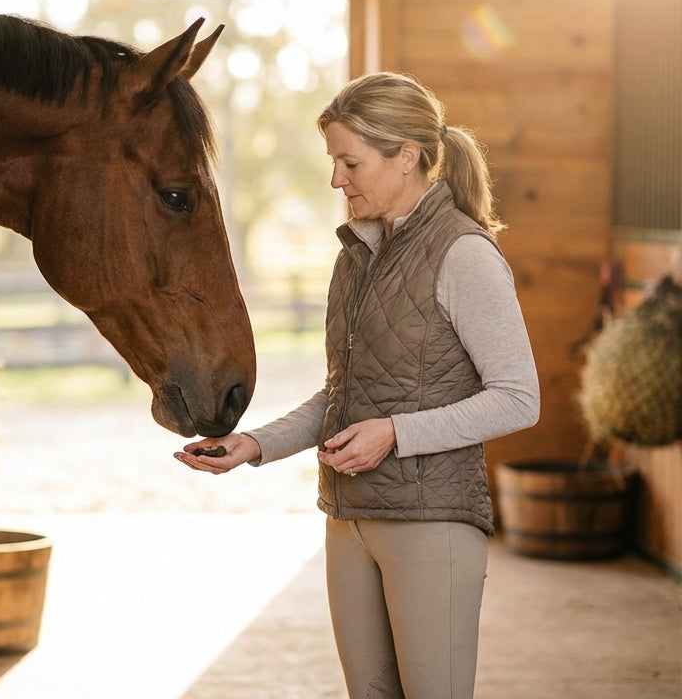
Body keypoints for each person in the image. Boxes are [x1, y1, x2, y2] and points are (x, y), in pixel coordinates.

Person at [175, 71, 540, 699]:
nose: (336, 180)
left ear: (407, 157)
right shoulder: (356, 255)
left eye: (350, 162)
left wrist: (395, 435)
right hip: (349, 520)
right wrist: (255, 446)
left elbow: (518, 397)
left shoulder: (464, 254)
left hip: (432, 523)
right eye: (333, 162)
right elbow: (342, 397)